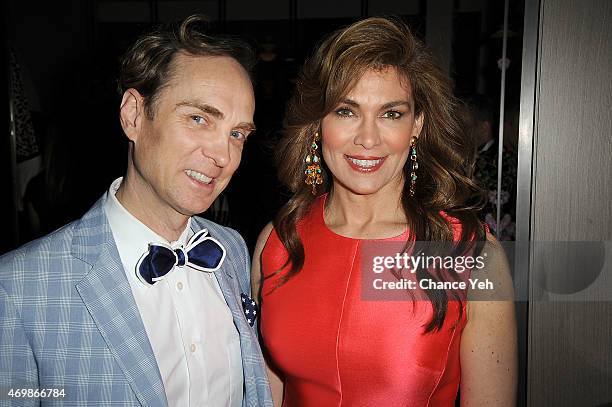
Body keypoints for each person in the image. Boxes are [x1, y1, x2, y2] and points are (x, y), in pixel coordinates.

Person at [0, 15, 273, 406]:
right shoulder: (18, 287)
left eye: (237, 134)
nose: (224, 156)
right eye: (198, 119)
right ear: (132, 115)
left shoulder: (230, 250)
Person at [252, 17, 517, 406]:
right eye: (346, 111)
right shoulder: (278, 241)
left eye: (391, 113)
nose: (368, 138)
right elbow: (268, 392)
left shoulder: (471, 256)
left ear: (417, 126)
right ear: (318, 125)